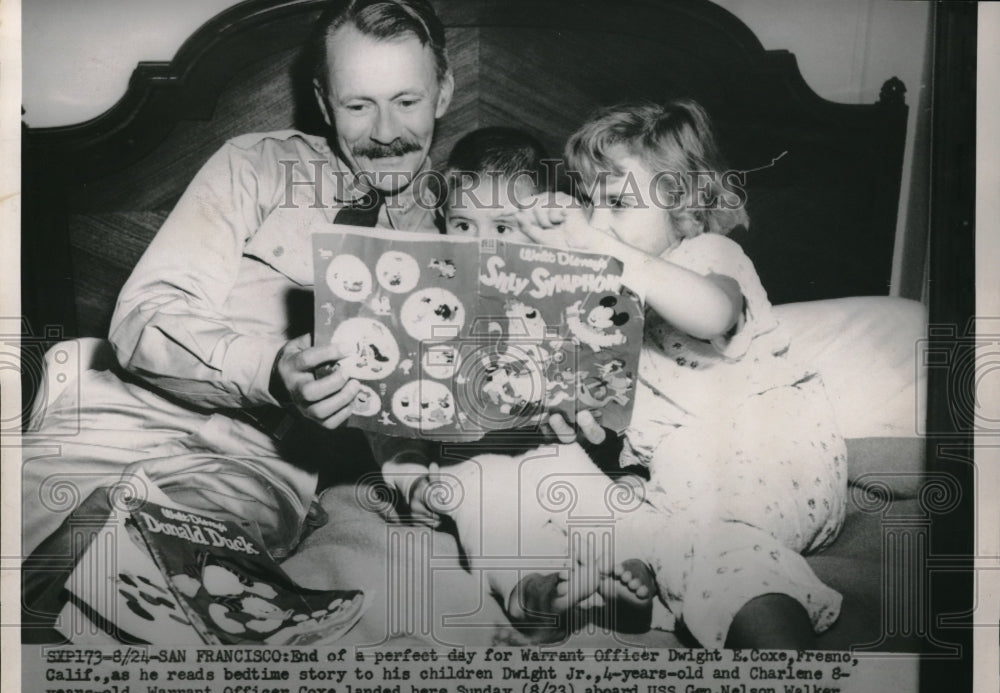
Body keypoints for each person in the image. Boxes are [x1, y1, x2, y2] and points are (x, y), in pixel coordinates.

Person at [21, 0, 454, 567]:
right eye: (358, 105)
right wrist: (271, 369)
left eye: (406, 101)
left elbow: (413, 406)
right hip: (129, 415)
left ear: (443, 93)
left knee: (161, 571)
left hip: (259, 464)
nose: (386, 133)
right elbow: (141, 317)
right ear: (325, 103)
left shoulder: (459, 237)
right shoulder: (255, 167)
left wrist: (412, 476)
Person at [510, 99, 848, 649]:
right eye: (589, 204)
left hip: (770, 453)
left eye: (616, 203)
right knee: (580, 498)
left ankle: (789, 681)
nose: (597, 221)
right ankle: (615, 586)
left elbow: (712, 313)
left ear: (684, 205)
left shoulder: (708, 252)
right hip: (686, 479)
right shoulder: (610, 296)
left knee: (721, 549)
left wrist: (599, 246)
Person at [368, 127, 660, 640]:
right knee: (490, 514)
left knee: (602, 500)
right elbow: (390, 420)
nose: (480, 242)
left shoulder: (559, 297)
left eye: (503, 226)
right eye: (462, 223)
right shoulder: (422, 301)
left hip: (552, 449)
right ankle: (533, 595)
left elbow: (603, 401)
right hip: (466, 459)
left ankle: (631, 580)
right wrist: (412, 482)